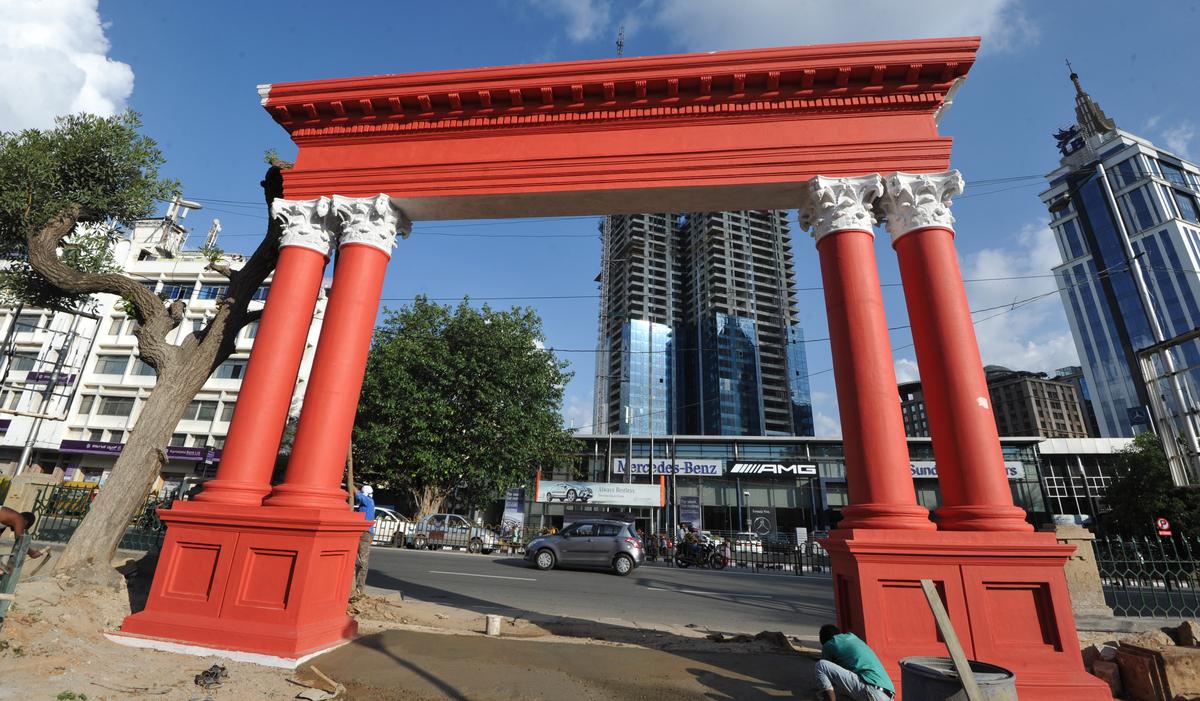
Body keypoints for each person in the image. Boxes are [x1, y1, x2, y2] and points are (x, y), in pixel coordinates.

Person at [813, 624, 895, 700]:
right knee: (841, 694)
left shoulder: (830, 643)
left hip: (872, 690)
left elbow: (826, 676)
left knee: (821, 665)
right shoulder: (853, 638)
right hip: (887, 695)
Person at [352, 484, 375, 597]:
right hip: (363, 533)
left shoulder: (368, 501)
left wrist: (351, 485)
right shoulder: (366, 503)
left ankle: (359, 588)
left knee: (362, 562)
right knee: (355, 560)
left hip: (365, 533)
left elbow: (358, 495)